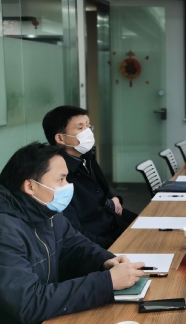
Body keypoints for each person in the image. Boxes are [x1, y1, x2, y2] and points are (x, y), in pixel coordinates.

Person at [0, 142, 146, 324]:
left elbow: (75, 246)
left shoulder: (44, 209)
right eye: (61, 179)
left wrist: (105, 261)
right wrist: (106, 283)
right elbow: (29, 303)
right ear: (30, 186)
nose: (68, 185)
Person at [43, 105, 137, 249]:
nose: (88, 132)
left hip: (113, 223)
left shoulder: (86, 157)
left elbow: (101, 186)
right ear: (60, 138)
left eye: (88, 126)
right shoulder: (59, 176)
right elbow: (75, 233)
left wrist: (114, 197)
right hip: (100, 243)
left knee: (156, 228)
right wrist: (117, 246)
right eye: (80, 128)